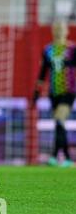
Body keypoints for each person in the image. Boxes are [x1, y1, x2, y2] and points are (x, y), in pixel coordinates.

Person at [34, 21, 76, 168]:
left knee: (59, 118)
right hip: (54, 92)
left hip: (69, 91)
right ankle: (65, 158)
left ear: (66, 31)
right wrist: (36, 92)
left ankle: (56, 156)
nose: (59, 30)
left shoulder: (72, 49)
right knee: (59, 123)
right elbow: (43, 72)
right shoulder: (48, 50)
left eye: (61, 28)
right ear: (53, 31)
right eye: (56, 28)